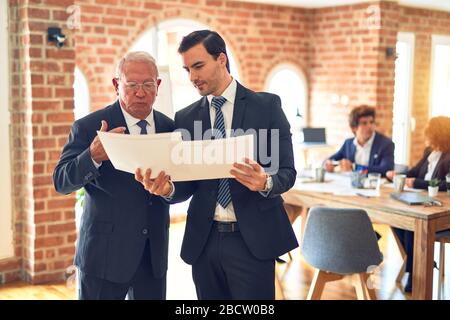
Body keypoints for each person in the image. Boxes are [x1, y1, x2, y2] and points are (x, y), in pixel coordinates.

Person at [137, 30, 298, 299]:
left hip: (252, 241)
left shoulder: (267, 106)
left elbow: (288, 173)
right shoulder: (186, 117)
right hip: (204, 240)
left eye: (198, 66)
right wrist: (167, 190)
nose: (192, 77)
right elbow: (187, 184)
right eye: (187, 69)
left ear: (221, 59)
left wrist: (265, 182)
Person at [53, 52, 175, 300]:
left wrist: (169, 190)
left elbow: (181, 185)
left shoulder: (170, 128)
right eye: (131, 85)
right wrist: (93, 155)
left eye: (148, 85)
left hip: (153, 257)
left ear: (158, 86)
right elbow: (62, 181)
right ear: (116, 84)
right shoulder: (89, 127)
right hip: (103, 258)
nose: (140, 93)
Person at [387, 116, 450, 293]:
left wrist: (417, 183)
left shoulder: (449, 156)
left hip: (439, 208)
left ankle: (416, 272)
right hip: (419, 202)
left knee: (411, 225)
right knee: (398, 221)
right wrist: (398, 175)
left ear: (439, 135)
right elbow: (414, 172)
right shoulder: (429, 151)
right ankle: (421, 264)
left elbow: (447, 185)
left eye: (429, 134)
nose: (426, 138)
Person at [324, 105, 394, 176]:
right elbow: (328, 161)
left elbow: (386, 170)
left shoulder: (385, 144)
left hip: (375, 185)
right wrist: (328, 165)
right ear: (354, 128)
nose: (369, 126)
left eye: (371, 122)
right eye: (364, 123)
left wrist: (355, 167)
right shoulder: (348, 144)